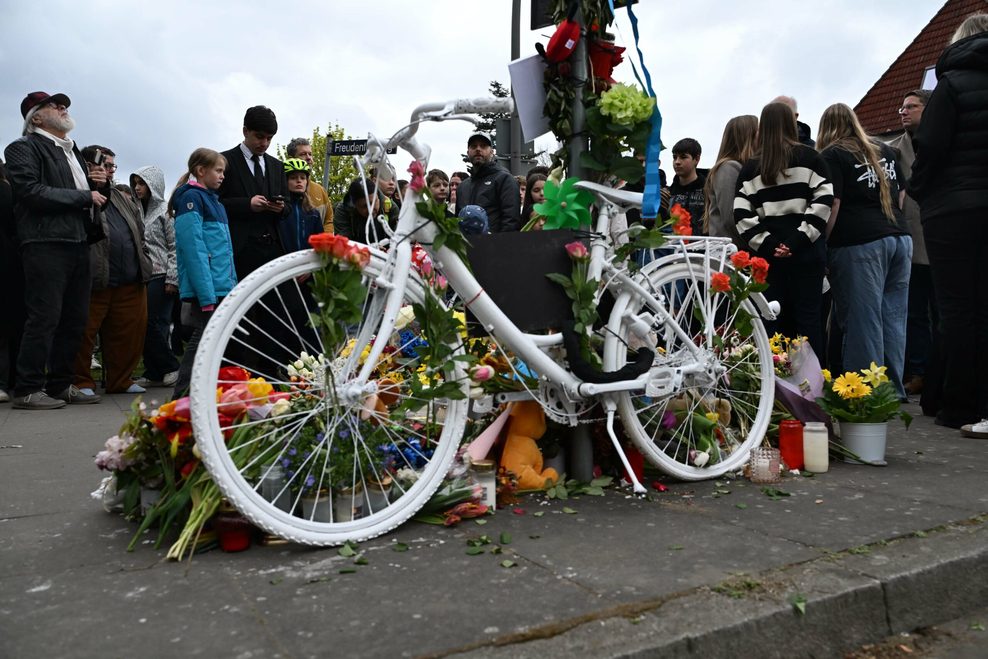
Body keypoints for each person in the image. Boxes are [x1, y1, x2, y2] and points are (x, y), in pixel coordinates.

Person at [908, 14, 988, 435]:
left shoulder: (951, 85)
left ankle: (960, 405)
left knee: (956, 309)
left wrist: (919, 189)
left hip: (953, 208)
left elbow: (932, 146)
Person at [4, 92, 108, 410]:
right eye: (54, 105)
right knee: (44, 317)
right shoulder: (22, 148)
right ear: (35, 118)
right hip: (45, 243)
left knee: (75, 319)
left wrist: (98, 186)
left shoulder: (71, 151)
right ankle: (27, 388)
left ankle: (61, 384)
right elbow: (31, 191)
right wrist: (85, 196)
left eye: (64, 105)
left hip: (77, 242)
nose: (63, 108)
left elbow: (85, 196)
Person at [817, 103, 911, 398]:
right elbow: (902, 196)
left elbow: (834, 204)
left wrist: (824, 244)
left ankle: (865, 393)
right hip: (899, 236)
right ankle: (893, 391)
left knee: (863, 319)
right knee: (893, 318)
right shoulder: (886, 151)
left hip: (859, 243)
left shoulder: (833, 154)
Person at [735, 102, 833, 354]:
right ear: (792, 124)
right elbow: (823, 204)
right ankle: (813, 387)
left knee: (773, 324)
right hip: (807, 254)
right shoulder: (813, 159)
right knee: (809, 323)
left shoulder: (750, 168)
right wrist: (797, 241)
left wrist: (768, 245)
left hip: (767, 261)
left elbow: (742, 216)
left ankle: (775, 387)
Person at [71, 145, 153, 397]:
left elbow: (139, 231)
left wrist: (145, 260)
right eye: (104, 165)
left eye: (111, 166)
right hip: (94, 279)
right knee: (83, 334)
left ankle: (121, 380)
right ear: (86, 166)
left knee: (128, 333)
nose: (108, 171)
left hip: (130, 278)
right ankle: (81, 381)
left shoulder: (120, 196)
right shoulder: (77, 191)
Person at [170, 148, 236, 399]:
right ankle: (182, 398)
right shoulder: (192, 199)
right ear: (201, 170)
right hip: (207, 289)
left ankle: (198, 396)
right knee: (203, 342)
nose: (222, 176)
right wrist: (206, 294)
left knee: (210, 342)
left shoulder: (212, 200)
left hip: (219, 285)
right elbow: (194, 249)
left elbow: (223, 251)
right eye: (218, 170)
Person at [886, 89, 935, 398]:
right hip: (912, 239)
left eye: (911, 107)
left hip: (942, 234)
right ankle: (917, 370)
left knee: (942, 311)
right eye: (901, 107)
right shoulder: (893, 151)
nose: (903, 112)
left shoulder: (941, 142)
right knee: (914, 310)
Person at [219, 105, 289, 280]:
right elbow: (216, 204)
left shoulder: (277, 166)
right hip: (238, 251)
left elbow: (288, 206)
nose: (264, 143)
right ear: (245, 131)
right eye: (259, 136)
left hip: (273, 252)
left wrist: (280, 208)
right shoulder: (224, 161)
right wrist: (247, 204)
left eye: (269, 138)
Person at [131, 165, 180, 388]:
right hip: (143, 275)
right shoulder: (137, 210)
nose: (137, 187)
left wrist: (172, 278)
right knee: (145, 323)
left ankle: (171, 367)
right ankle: (154, 371)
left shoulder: (165, 211)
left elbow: (175, 246)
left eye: (142, 183)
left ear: (153, 185)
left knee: (152, 322)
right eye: (135, 183)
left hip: (162, 275)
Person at [703, 115, 757, 245]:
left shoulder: (740, 167)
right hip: (730, 255)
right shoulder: (728, 168)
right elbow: (731, 217)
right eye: (759, 131)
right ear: (747, 136)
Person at [455, 133, 520, 232]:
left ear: (492, 152)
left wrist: (500, 245)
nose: (478, 149)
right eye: (474, 146)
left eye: (483, 146)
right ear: (468, 152)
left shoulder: (505, 179)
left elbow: (511, 221)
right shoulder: (462, 187)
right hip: (465, 246)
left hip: (495, 245)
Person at [0, 160, 22, 403]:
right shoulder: (9, 192)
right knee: (11, 327)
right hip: (12, 263)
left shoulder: (6, 191)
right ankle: (10, 380)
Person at [285, 137, 333, 233]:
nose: (309, 158)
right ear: (291, 158)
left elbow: (329, 220)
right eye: (303, 154)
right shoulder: (280, 188)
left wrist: (325, 240)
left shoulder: (321, 190)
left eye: (310, 154)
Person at [279, 158, 323, 251]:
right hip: (282, 262)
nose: (299, 181)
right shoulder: (278, 209)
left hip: (306, 262)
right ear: (284, 181)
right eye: (293, 178)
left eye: (303, 178)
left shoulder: (313, 212)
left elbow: (321, 243)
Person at [667, 138, 706, 235]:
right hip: (674, 248)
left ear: (697, 159)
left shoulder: (709, 190)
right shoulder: (667, 194)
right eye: (674, 157)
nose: (677, 162)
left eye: (683, 157)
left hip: (705, 247)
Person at [334, 178, 390, 244]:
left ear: (377, 197)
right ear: (354, 205)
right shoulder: (343, 211)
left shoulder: (389, 207)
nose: (370, 210)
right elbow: (343, 243)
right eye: (364, 206)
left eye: (372, 203)